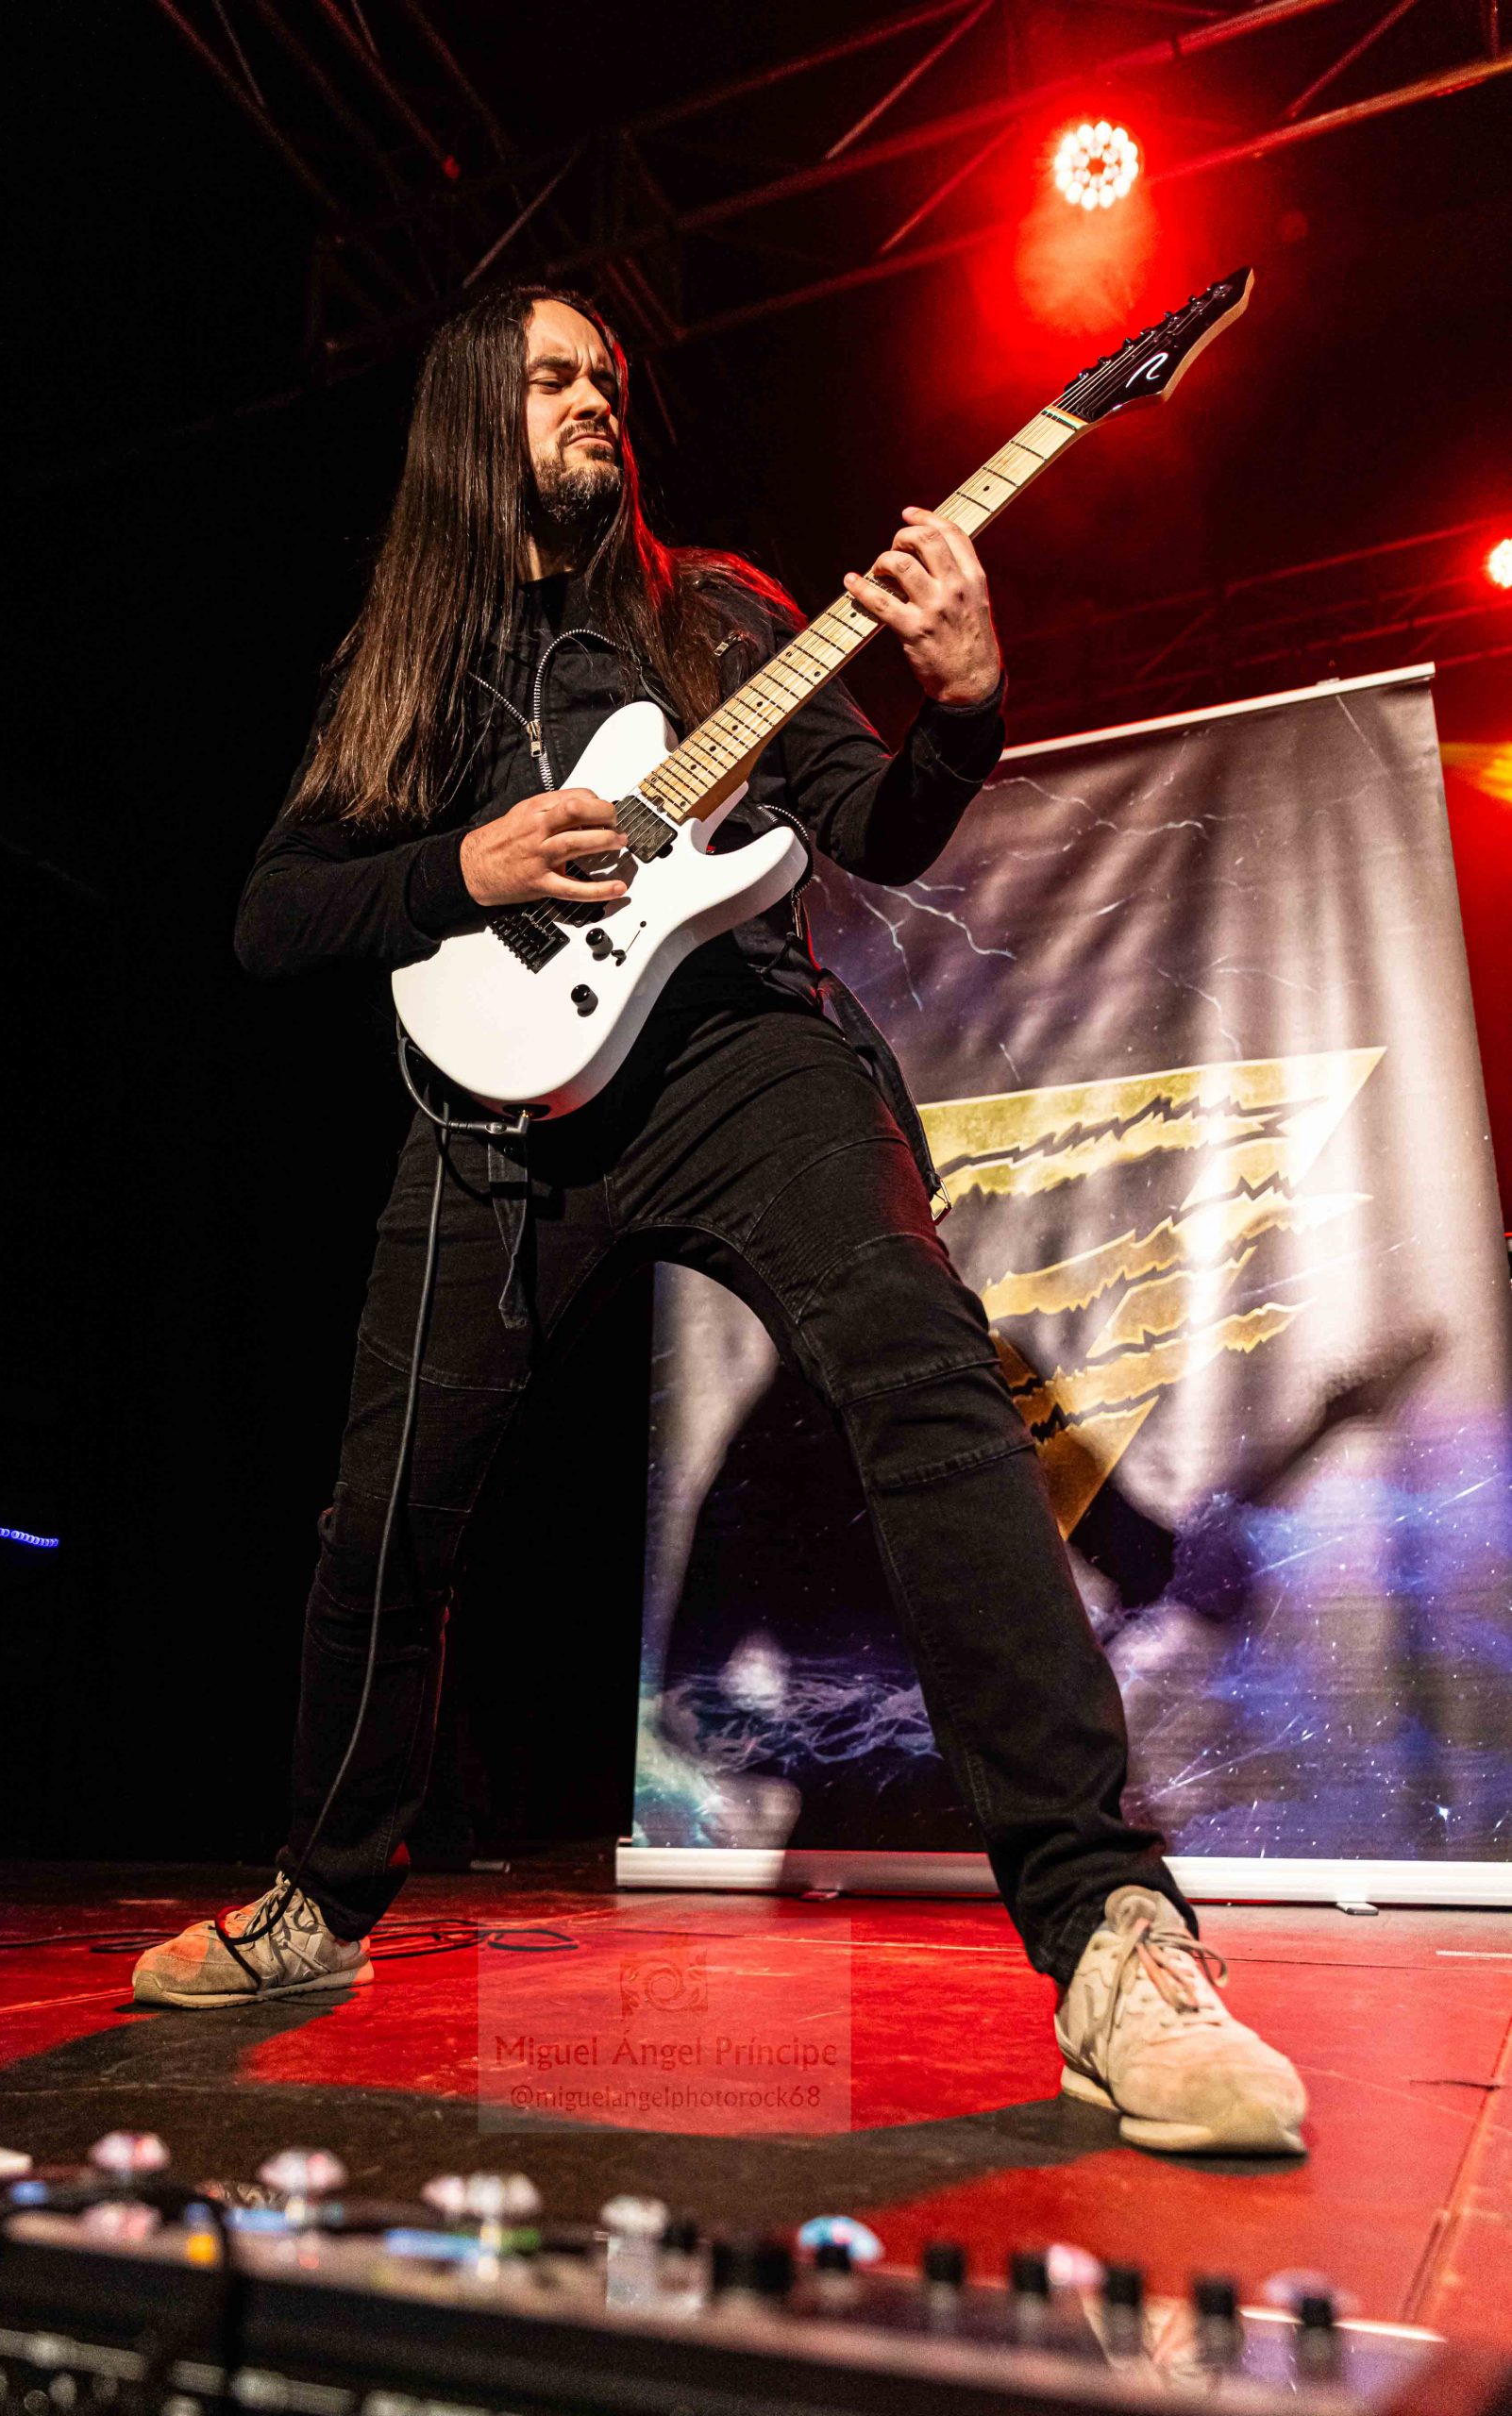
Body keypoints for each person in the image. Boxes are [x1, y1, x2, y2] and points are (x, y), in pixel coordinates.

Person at [133, 284, 1305, 2158]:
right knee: (383, 1515)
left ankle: (1110, 1933)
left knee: (928, 1378)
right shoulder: (412, 665)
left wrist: (964, 707)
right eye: (552, 377)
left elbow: (874, 823)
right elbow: (275, 916)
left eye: (607, 374)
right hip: (493, 1114)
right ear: (471, 417)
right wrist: (463, 864)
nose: (595, 397)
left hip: (742, 1055)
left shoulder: (723, 612)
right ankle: (317, 1903)